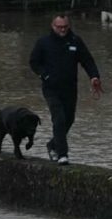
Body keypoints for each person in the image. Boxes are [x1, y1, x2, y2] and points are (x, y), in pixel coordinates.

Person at [28, 14, 103, 165]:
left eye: (65, 27)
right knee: (59, 119)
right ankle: (62, 154)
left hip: (70, 88)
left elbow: (87, 60)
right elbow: (34, 62)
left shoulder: (75, 41)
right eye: (59, 27)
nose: (62, 30)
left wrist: (94, 76)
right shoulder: (43, 42)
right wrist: (44, 75)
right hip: (51, 88)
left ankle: (52, 145)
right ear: (53, 26)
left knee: (69, 119)